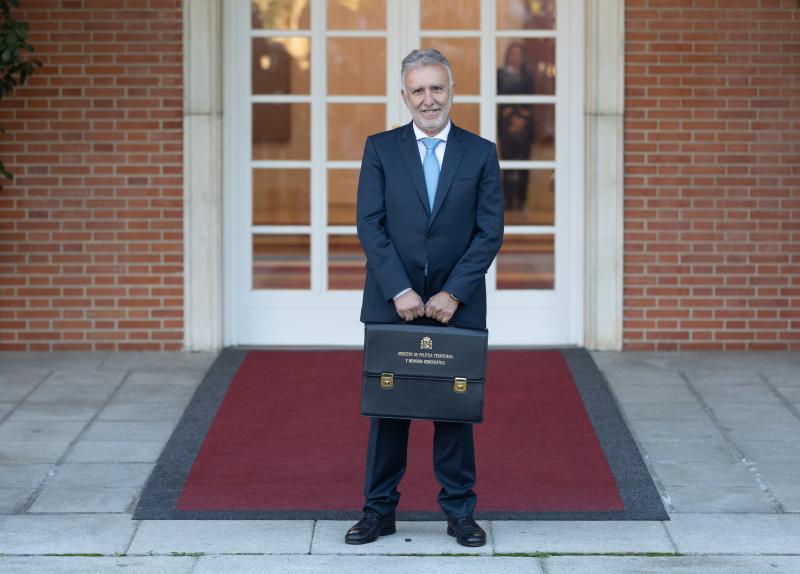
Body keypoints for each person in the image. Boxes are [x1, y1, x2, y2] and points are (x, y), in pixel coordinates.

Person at [347, 48, 504, 547]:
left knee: (453, 413)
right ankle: (378, 512)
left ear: (451, 90)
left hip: (457, 306)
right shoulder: (380, 148)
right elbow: (369, 226)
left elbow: (489, 231)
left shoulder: (479, 152)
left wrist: (454, 293)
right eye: (419, 90)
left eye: (437, 88)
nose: (429, 99)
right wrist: (400, 289)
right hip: (393, 302)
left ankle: (460, 513)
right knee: (389, 410)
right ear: (404, 96)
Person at [497, 42, 535, 212]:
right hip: (506, 124)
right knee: (507, 163)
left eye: (519, 54)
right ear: (508, 56)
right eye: (512, 53)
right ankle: (508, 201)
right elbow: (498, 99)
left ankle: (521, 201)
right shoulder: (500, 75)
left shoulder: (527, 76)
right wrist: (511, 118)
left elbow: (530, 101)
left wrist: (521, 119)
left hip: (524, 125)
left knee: (523, 164)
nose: (516, 57)